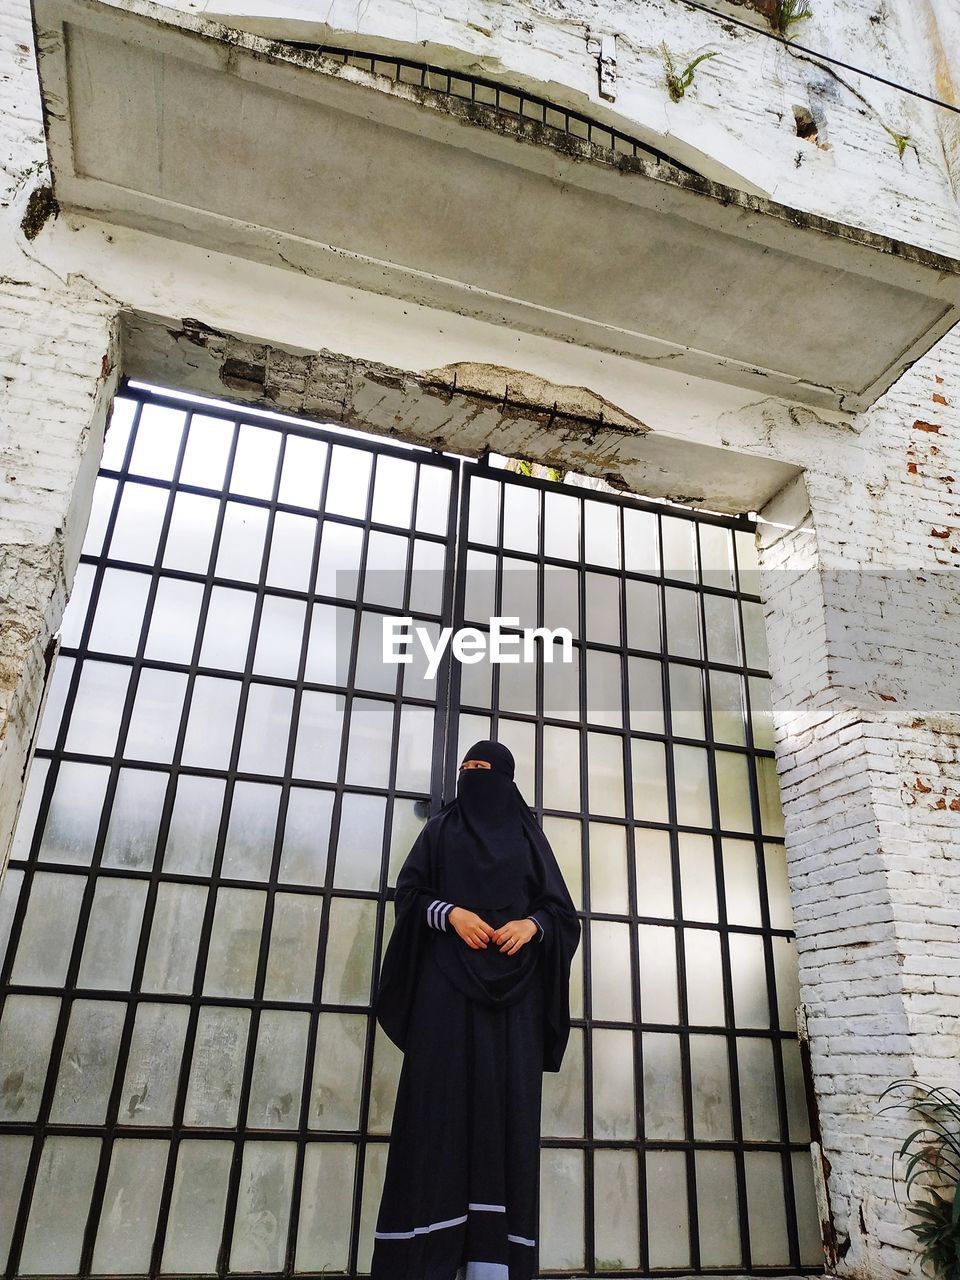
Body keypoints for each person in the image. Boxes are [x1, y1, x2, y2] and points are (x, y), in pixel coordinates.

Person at [371, 738, 581, 1280]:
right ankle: (426, 1260)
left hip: (514, 1008)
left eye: (484, 771)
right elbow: (410, 893)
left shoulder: (529, 838)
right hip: (445, 998)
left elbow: (561, 913)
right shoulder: (441, 829)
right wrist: (451, 914)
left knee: (503, 1116)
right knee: (438, 1116)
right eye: (467, 770)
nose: (473, 779)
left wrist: (531, 926)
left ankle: (495, 1264)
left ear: (507, 781)